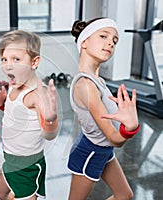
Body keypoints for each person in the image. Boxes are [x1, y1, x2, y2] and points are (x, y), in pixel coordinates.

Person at [67, 17, 140, 200]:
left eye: (114, 41)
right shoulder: (86, 85)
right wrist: (129, 128)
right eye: (103, 36)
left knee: (124, 195)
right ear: (84, 42)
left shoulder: (97, 80)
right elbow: (115, 138)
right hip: (90, 152)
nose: (110, 43)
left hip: (102, 150)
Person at [0, 30, 59, 200]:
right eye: (4, 59)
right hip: (10, 159)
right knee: (0, 192)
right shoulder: (14, 84)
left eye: (16, 59)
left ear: (34, 62)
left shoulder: (37, 95)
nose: (8, 65)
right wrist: (4, 105)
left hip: (28, 165)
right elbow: (21, 116)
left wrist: (50, 119)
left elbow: (49, 135)